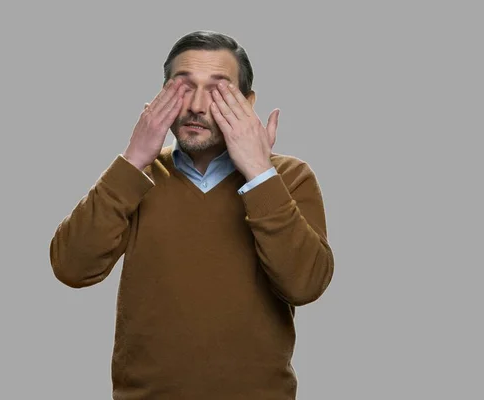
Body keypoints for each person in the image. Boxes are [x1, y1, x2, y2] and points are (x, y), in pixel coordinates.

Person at [49, 30, 335, 400]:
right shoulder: (136, 177)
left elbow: (306, 285)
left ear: (247, 104)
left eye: (218, 91)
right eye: (183, 87)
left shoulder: (289, 178)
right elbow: (71, 268)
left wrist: (260, 174)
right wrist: (133, 159)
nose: (197, 105)